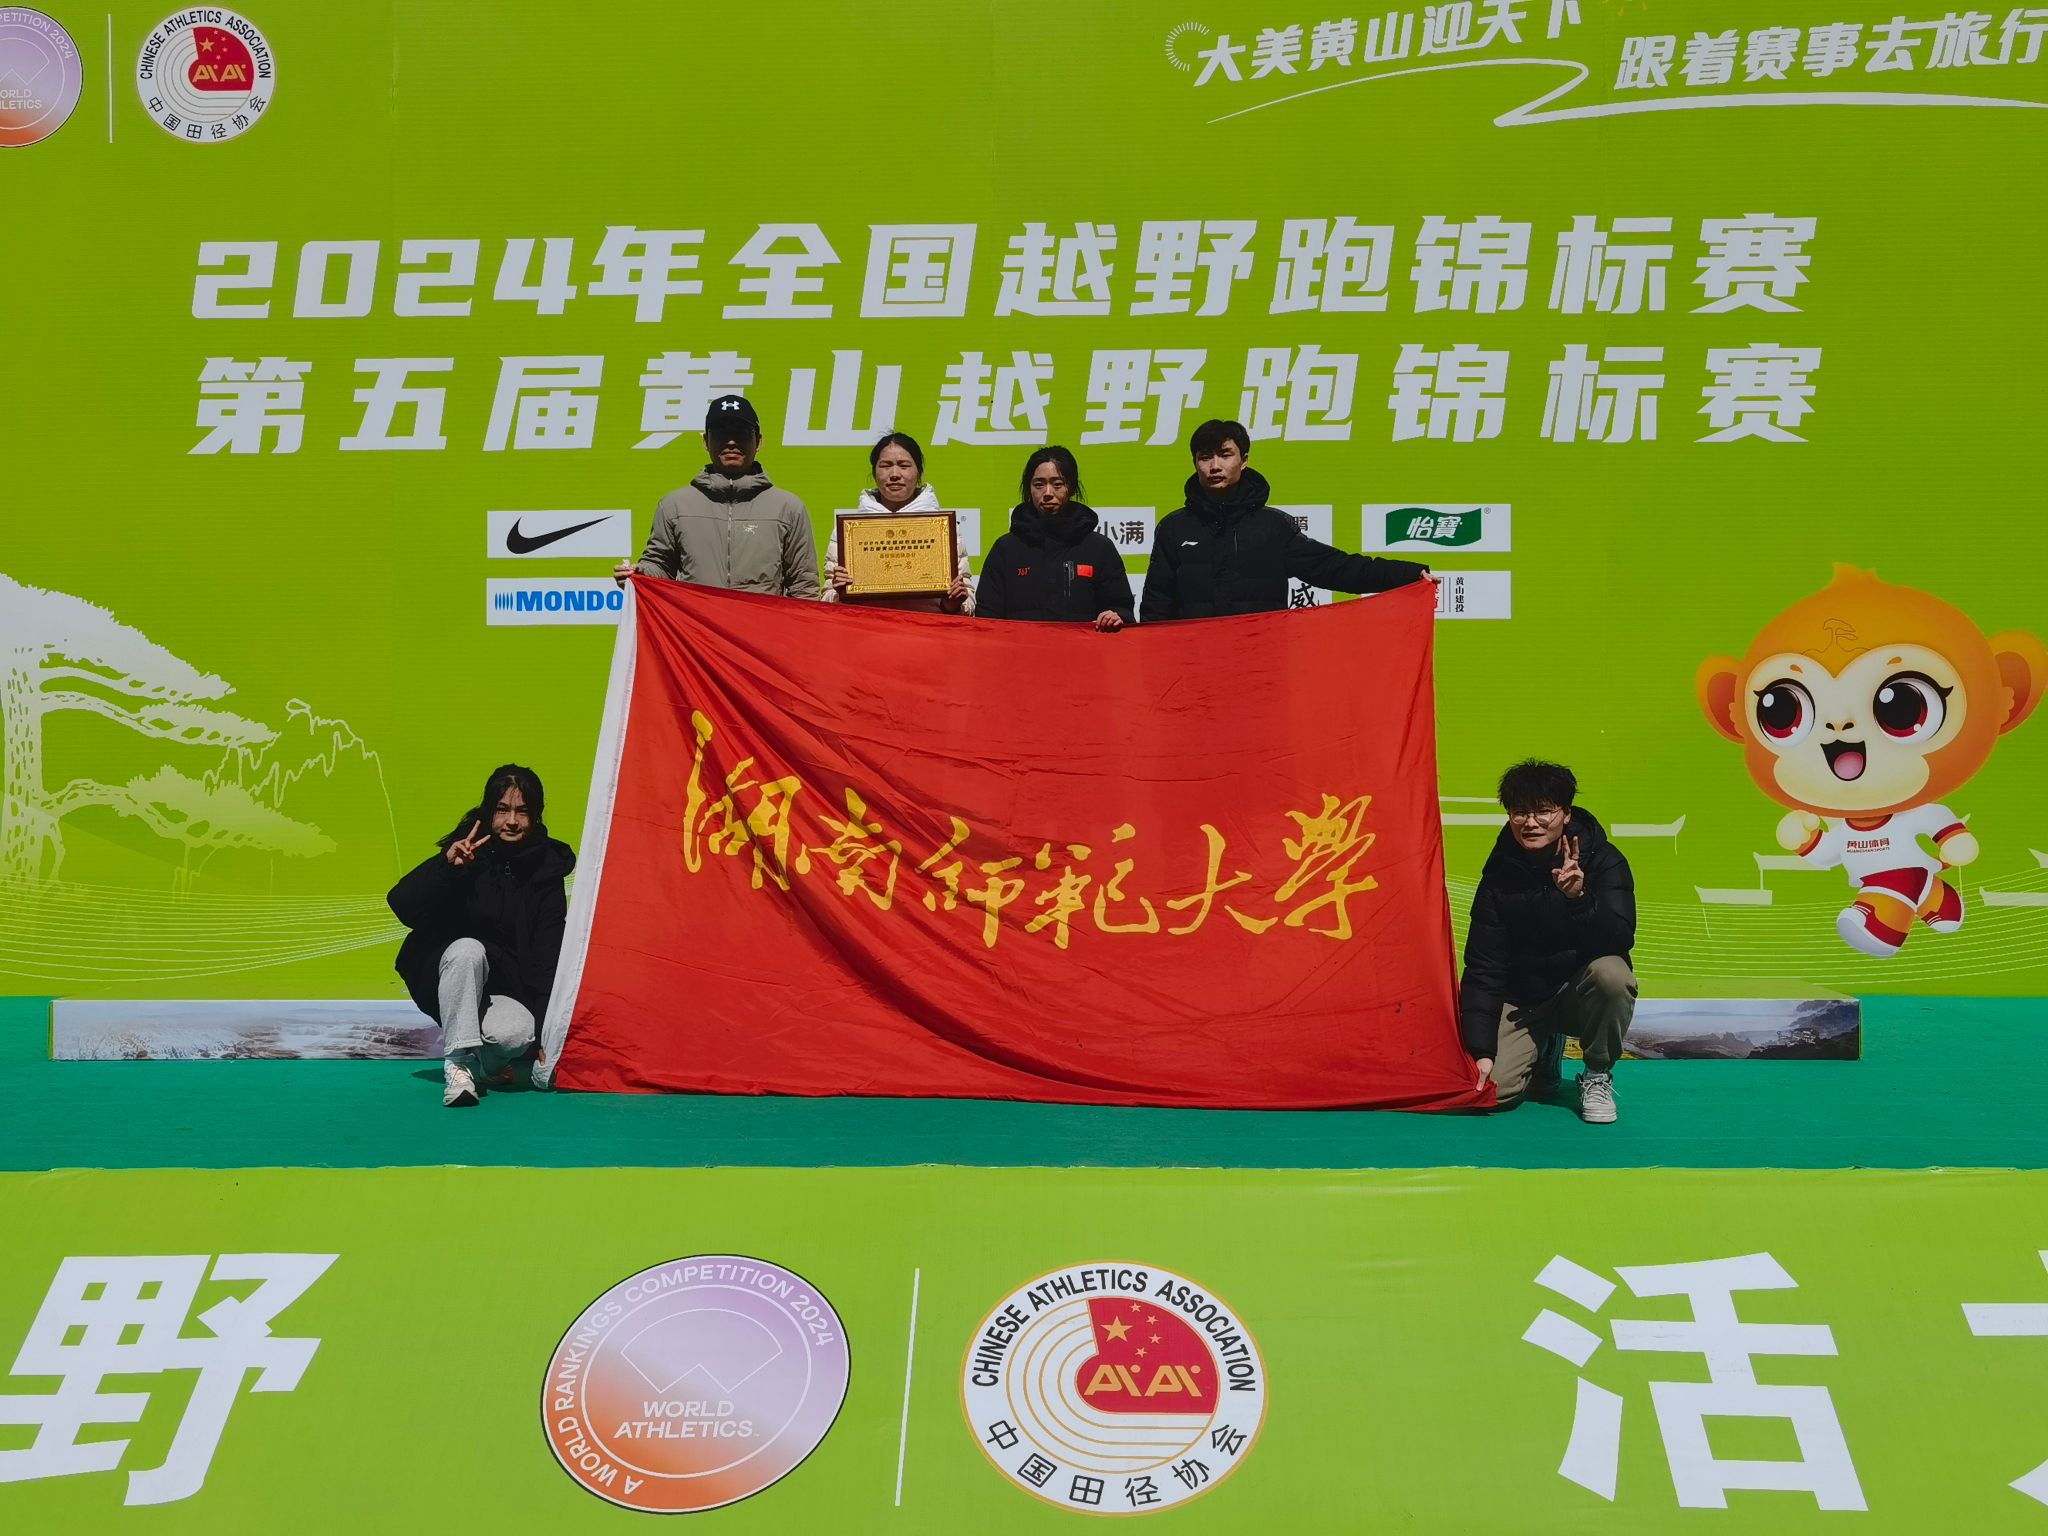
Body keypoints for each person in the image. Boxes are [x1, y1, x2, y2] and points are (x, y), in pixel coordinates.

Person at [387, 764, 576, 1108]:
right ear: (489, 812)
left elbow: (547, 957)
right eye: (502, 810)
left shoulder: (547, 871)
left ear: (536, 816)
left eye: (522, 811)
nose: (512, 821)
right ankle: (458, 1065)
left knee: (516, 1035)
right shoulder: (465, 853)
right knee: (467, 950)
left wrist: (545, 1039)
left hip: (503, 990)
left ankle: (489, 1066)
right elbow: (402, 906)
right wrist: (446, 869)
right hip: (447, 975)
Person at [1459, 760, 1637, 1123]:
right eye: (1520, 812)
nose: (1531, 822)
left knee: (1613, 975)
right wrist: (1481, 1051)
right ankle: (1544, 1050)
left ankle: (1597, 1074)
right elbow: (1484, 966)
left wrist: (1579, 898)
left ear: (1566, 814)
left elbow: (1619, 938)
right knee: (1492, 1092)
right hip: (1523, 1000)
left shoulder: (1605, 861)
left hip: (1575, 996)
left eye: (1543, 811)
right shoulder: (1498, 875)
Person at [1141, 418, 1429, 622]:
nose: (1215, 466)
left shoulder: (1273, 527)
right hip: (1193, 666)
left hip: (1261, 664)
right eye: (1205, 457)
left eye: (1225, 455)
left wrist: (1407, 574)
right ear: (1195, 463)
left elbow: (1336, 568)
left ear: (1244, 460)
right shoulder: (1174, 528)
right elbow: (1156, 605)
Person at [613, 394, 821, 597]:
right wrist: (641, 574)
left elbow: (804, 585)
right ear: (706, 441)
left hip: (761, 621)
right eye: (721, 433)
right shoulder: (675, 505)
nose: (731, 442)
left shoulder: (788, 508)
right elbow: (661, 567)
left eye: (741, 433)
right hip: (695, 620)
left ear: (758, 441)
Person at [974, 446, 1134, 630]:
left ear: (1071, 487)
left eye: (1057, 484)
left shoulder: (1099, 547)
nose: (1048, 493)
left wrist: (1116, 616)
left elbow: (1122, 609)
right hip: (1020, 648)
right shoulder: (1006, 549)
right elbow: (987, 618)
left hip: (1083, 648)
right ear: (1029, 489)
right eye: (1039, 485)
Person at [821, 431, 974, 613]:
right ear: (874, 472)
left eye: (904, 465)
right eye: (885, 465)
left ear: (919, 473)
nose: (894, 474)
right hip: (867, 627)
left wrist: (953, 603)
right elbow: (827, 600)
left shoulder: (944, 529)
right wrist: (840, 596)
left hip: (925, 628)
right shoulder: (849, 532)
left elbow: (968, 602)